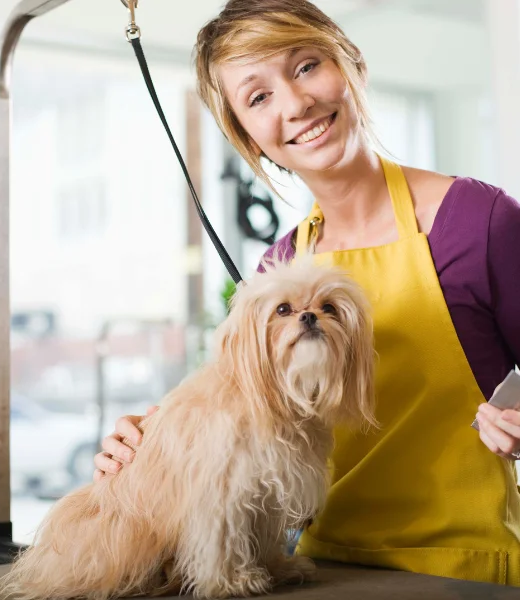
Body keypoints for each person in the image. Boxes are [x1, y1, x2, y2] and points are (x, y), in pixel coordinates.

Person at [93, 0, 520, 586]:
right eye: (258, 97)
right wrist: (150, 438)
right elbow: (234, 406)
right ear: (247, 136)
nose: (296, 105)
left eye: (306, 66)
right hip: (318, 567)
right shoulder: (280, 267)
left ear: (353, 66)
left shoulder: (480, 221)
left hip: (462, 569)